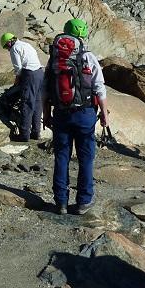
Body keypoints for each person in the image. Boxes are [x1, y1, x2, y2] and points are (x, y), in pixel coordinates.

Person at [42, 19, 109, 215]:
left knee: (61, 157)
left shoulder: (54, 58)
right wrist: (104, 114)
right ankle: (83, 202)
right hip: (85, 113)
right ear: (83, 34)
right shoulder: (88, 56)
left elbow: (45, 89)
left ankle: (61, 203)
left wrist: (46, 114)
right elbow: (99, 87)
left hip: (61, 113)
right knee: (85, 159)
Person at [0, 32, 44, 142]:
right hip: (40, 73)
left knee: (27, 103)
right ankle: (36, 133)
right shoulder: (26, 44)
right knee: (37, 104)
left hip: (29, 75)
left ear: (9, 43)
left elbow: (18, 68)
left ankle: (24, 135)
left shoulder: (15, 48)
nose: (7, 49)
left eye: (6, 46)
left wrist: (17, 80)